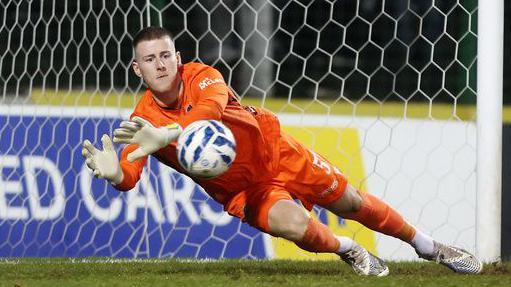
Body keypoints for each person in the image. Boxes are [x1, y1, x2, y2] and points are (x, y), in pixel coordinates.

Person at [81, 26, 483, 276]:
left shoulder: (203, 76)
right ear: (138, 70)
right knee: (294, 226)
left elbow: (208, 113)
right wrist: (115, 173)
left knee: (349, 200)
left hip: (276, 151)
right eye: (150, 59)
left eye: (166, 55)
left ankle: (430, 247)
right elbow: (130, 175)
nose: (161, 64)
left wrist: (167, 136)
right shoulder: (142, 118)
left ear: (178, 57)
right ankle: (350, 250)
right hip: (242, 190)